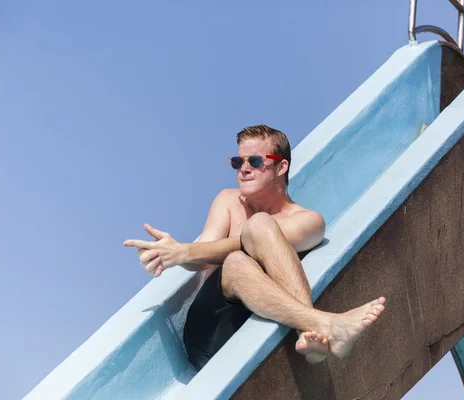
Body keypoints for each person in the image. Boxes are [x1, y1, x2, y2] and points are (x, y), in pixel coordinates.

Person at [123, 124, 386, 371]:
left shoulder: (309, 221)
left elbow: (255, 238)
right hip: (211, 331)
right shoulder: (227, 200)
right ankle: (316, 325)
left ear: (281, 167)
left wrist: (185, 251)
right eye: (238, 162)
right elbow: (200, 258)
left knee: (257, 232)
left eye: (256, 161)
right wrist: (173, 253)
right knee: (238, 259)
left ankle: (309, 331)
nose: (244, 169)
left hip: (266, 321)